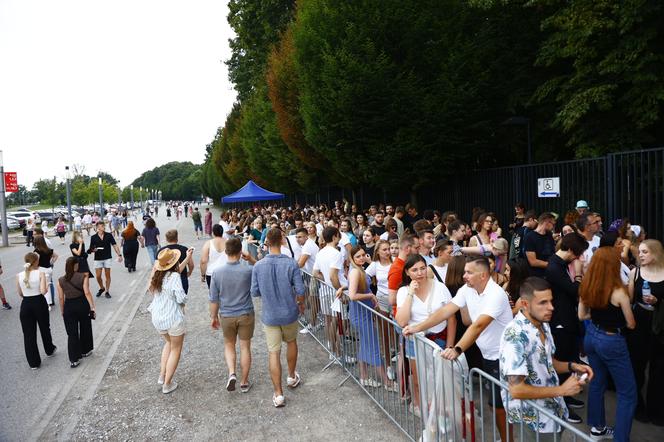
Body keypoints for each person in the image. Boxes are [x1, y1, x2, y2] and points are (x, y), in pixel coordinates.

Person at [403, 257, 513, 442]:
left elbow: (478, 326)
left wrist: (457, 349)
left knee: (501, 405)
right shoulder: (467, 289)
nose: (464, 276)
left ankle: (508, 440)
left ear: (483, 275)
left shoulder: (496, 294)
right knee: (496, 403)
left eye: (469, 272)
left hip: (503, 356)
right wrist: (417, 327)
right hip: (489, 354)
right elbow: (446, 310)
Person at [500, 277, 594, 441]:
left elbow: (548, 364)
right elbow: (516, 390)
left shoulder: (543, 323)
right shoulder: (514, 337)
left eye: (551, 301)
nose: (551, 307)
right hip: (533, 420)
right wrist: (562, 390)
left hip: (553, 410)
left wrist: (572, 366)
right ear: (525, 304)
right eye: (543, 303)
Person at [578, 247, 637, 441]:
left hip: (591, 337)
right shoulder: (619, 291)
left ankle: (597, 429)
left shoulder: (586, 284)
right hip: (611, 340)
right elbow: (631, 323)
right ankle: (621, 438)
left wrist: (597, 318)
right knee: (628, 393)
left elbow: (581, 315)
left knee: (597, 383)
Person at [251, 228, 305, 408]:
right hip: (289, 311)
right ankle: (291, 376)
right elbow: (300, 290)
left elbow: (255, 291)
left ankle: (278, 393)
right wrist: (301, 303)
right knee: (291, 342)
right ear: (282, 241)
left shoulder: (258, 265)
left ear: (266, 242)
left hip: (270, 314)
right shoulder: (291, 263)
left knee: (273, 352)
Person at [396, 254, 456, 414]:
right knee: (419, 380)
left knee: (441, 379)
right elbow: (402, 322)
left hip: (440, 340)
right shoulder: (402, 291)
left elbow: (451, 319)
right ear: (407, 272)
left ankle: (442, 411)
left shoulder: (440, 288)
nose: (419, 273)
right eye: (414, 270)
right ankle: (424, 410)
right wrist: (410, 293)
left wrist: (450, 345)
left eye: (422, 268)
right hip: (415, 342)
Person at [544, 232, 589, 423]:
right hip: (560, 321)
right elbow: (575, 291)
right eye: (577, 254)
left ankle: (567, 397)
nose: (578, 258)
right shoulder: (554, 267)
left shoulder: (560, 264)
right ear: (570, 250)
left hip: (568, 319)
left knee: (569, 358)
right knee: (562, 362)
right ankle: (561, 403)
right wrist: (579, 274)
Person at [339, 246, 396, 390]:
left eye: (363, 255)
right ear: (352, 258)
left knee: (365, 344)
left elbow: (352, 287)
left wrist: (343, 288)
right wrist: (371, 295)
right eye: (358, 256)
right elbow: (353, 295)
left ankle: (364, 377)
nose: (362, 258)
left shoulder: (358, 270)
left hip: (364, 314)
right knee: (374, 347)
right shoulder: (355, 272)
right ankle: (387, 382)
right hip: (361, 316)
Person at [209, 237, 256, 393]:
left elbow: (214, 299)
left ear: (226, 251)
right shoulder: (247, 270)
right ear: (239, 251)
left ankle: (232, 373)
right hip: (245, 313)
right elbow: (260, 268)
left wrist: (213, 317)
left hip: (227, 315)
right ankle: (244, 381)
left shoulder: (217, 273)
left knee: (229, 345)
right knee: (245, 347)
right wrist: (250, 259)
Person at [627, 239, 664, 425]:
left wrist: (658, 301)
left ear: (656, 253)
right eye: (639, 251)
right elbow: (629, 299)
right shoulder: (635, 273)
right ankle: (637, 406)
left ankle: (656, 410)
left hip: (660, 326)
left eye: (645, 252)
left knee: (659, 370)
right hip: (640, 323)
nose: (640, 255)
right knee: (637, 368)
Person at [148, 248, 190, 394]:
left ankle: (162, 375)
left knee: (168, 343)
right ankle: (167, 384)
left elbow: (151, 291)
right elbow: (181, 297)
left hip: (158, 317)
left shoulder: (157, 275)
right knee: (176, 349)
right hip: (172, 317)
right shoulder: (174, 277)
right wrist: (184, 302)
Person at [16, 252, 56, 369]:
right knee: (44, 327)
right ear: (36, 262)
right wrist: (48, 285)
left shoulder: (19, 275)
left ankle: (33, 363)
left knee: (28, 334)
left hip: (26, 304)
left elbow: (20, 293)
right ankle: (49, 350)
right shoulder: (40, 273)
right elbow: (43, 291)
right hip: (39, 302)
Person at [57, 257, 96, 368]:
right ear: (75, 265)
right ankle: (86, 350)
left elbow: (60, 298)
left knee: (72, 333)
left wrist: (63, 311)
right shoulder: (83, 276)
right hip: (82, 304)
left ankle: (74, 359)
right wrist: (92, 307)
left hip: (69, 306)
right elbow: (87, 292)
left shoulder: (60, 280)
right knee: (85, 327)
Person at [89, 222, 123, 299]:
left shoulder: (109, 235)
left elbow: (114, 245)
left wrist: (119, 255)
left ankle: (107, 291)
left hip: (107, 258)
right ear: (98, 228)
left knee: (107, 275)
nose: (103, 227)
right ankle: (102, 288)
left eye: (104, 226)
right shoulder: (93, 237)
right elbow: (90, 249)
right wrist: (93, 250)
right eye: (101, 226)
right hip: (98, 259)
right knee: (98, 276)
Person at [159, 229, 194, 294]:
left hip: (166, 280)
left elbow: (157, 267)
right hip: (182, 278)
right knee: (181, 300)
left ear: (166, 239)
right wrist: (189, 272)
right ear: (177, 238)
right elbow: (191, 265)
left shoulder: (162, 251)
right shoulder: (184, 249)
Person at [523, 212, 556, 277]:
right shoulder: (529, 237)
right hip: (536, 276)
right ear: (546, 222)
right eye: (553, 224)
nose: (553, 227)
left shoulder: (549, 235)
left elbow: (553, 252)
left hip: (550, 273)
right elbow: (533, 262)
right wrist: (552, 265)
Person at [34, 236, 58, 308]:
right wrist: (51, 262)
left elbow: (36, 261)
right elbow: (56, 256)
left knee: (42, 287)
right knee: (47, 286)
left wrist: (36, 267)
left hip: (41, 269)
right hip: (49, 269)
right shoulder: (49, 250)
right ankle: (49, 302)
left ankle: (46, 304)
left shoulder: (36, 251)